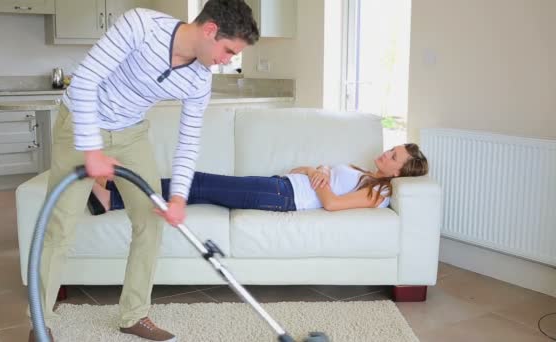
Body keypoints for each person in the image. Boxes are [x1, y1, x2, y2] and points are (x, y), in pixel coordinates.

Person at [30, 1, 259, 341]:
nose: (228, 60)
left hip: (130, 133)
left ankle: (133, 314)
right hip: (82, 120)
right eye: (228, 51)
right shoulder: (141, 26)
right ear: (210, 31)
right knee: (59, 227)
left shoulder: (199, 80)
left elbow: (188, 141)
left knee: (151, 219)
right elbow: (85, 81)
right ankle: (39, 321)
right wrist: (92, 150)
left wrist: (178, 197)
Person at [88, 144, 428, 214]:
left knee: (199, 183)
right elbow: (304, 171)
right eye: (392, 149)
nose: (386, 153)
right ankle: (115, 194)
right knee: (200, 186)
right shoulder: (365, 173)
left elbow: (334, 204)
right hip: (281, 185)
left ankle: (113, 196)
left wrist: (319, 180)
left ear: (398, 172)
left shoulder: (378, 193)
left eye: (393, 156)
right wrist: (316, 172)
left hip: (283, 197)